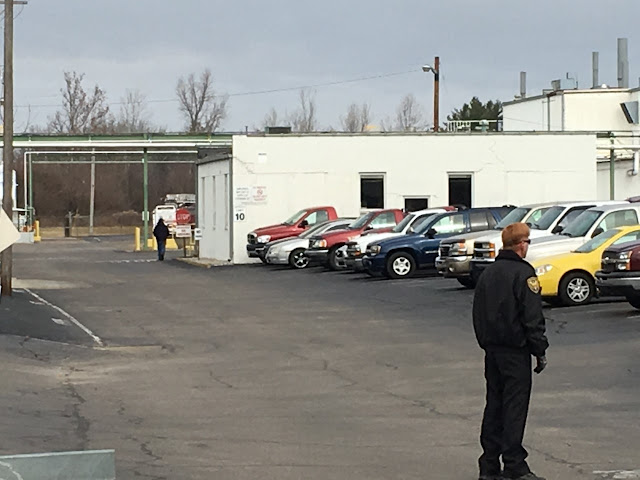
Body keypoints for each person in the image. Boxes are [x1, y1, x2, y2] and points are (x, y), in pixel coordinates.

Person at [472, 223, 549, 480]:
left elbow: (477, 313)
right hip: (515, 351)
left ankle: (489, 464)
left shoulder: (488, 273)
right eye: (527, 242)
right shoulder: (523, 273)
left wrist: (485, 343)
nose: (527, 247)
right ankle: (514, 464)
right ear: (520, 244)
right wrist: (539, 349)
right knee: (515, 407)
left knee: (494, 405)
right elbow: (532, 316)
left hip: (492, 351)